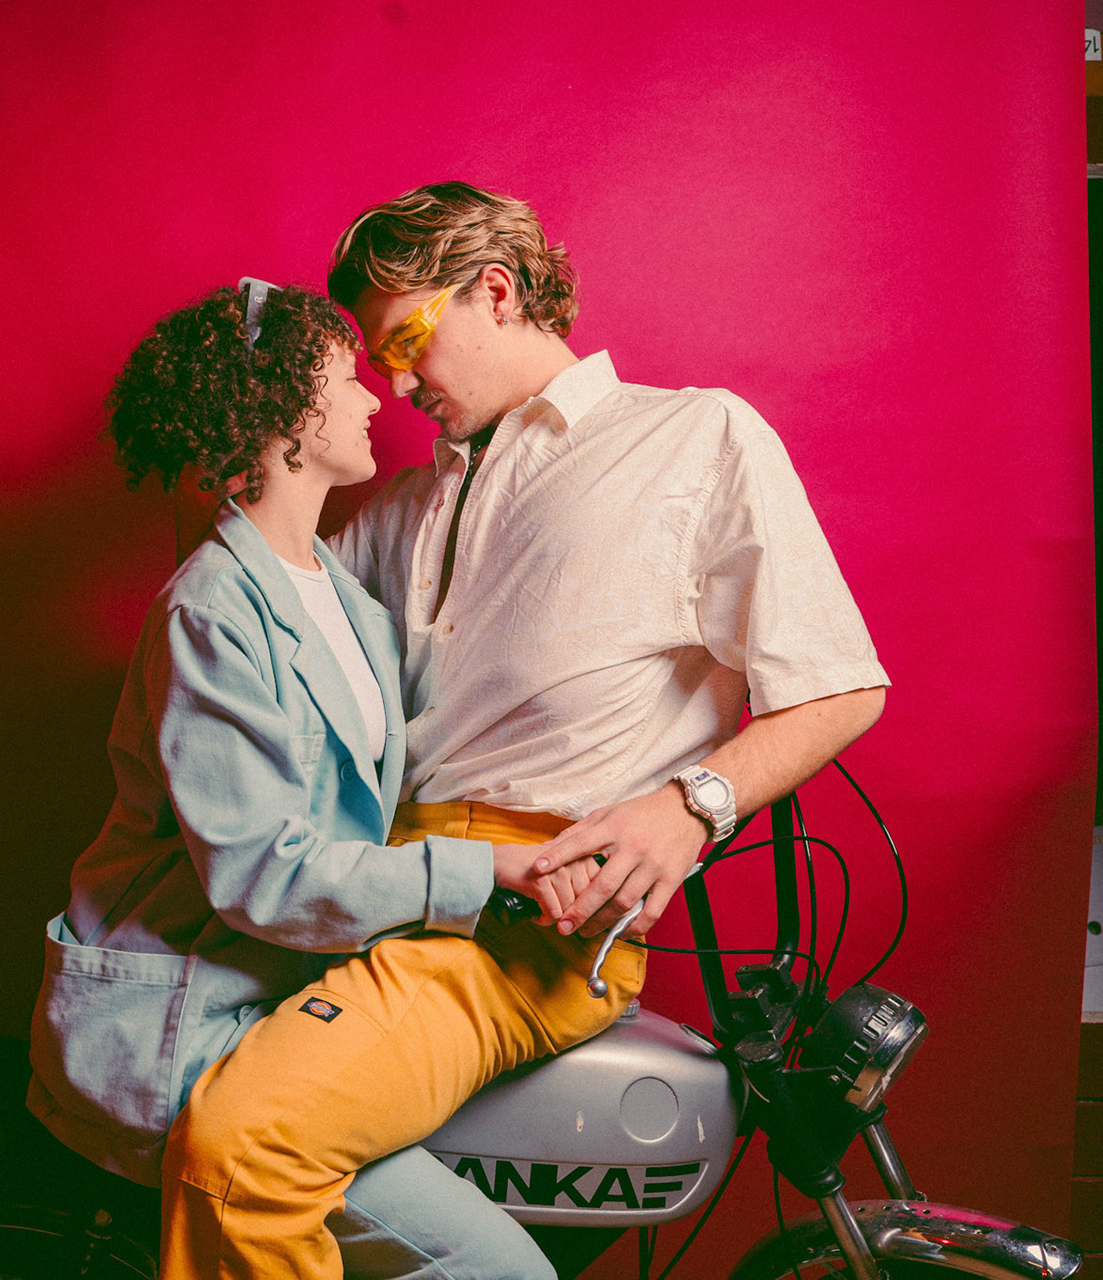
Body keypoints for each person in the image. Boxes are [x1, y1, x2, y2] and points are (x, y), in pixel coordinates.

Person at [157, 182, 890, 1279]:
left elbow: (839, 687)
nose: (396, 384)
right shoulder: (403, 506)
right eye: (374, 360)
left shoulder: (694, 438)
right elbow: (244, 609)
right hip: (372, 899)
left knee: (240, 1146)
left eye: (406, 341)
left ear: (495, 292)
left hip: (525, 927)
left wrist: (689, 806)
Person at [26, 280, 606, 1280]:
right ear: (289, 414)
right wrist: (483, 872)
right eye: (346, 378)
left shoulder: (343, 595)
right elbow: (265, 875)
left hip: (290, 1008)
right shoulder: (211, 610)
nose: (378, 395)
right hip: (190, 1033)